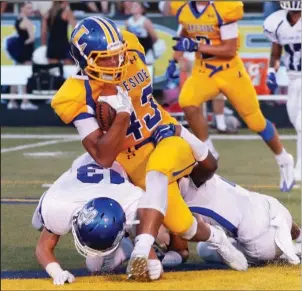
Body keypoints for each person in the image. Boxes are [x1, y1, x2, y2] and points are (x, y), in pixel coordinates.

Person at [51, 16, 236, 281]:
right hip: (134, 156)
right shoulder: (74, 95)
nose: (115, 62)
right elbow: (103, 157)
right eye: (105, 58)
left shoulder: (130, 44)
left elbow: (145, 95)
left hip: (165, 130)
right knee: (179, 220)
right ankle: (185, 243)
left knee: (210, 179)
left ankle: (265, 231)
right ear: (85, 61)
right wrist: (123, 115)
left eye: (116, 55)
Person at [33, 152, 248, 285]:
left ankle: (207, 241)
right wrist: (56, 271)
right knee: (41, 225)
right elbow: (44, 247)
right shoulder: (58, 204)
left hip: (127, 168)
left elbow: (144, 232)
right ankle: (123, 247)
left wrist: (152, 262)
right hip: (80, 179)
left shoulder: (133, 201)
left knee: (171, 225)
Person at [169, 1, 295, 191]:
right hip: (204, 71)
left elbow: (229, 50)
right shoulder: (184, 9)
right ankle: (208, 149)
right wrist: (174, 59)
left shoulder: (224, 8)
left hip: (230, 72)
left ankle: (283, 158)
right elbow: (185, 34)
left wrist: (197, 47)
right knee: (187, 102)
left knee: (255, 122)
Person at [160, 173, 301, 268]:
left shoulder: (176, 203)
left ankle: (289, 251)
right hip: (277, 210)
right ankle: (299, 235)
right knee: (259, 205)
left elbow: (181, 251)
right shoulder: (199, 170)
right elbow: (207, 160)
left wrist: (161, 259)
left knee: (204, 249)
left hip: (261, 244)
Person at [264, 1, 301, 182]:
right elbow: (276, 53)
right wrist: (272, 71)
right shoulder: (277, 23)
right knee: (296, 121)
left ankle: (299, 169)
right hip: (294, 78)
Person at [6, 1, 38, 111]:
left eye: (31, 8)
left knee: (15, 77)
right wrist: (25, 43)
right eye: (28, 8)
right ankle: (25, 101)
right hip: (25, 52)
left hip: (18, 52)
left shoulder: (18, 19)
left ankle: (12, 101)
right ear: (22, 8)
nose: (31, 11)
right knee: (23, 77)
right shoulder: (26, 21)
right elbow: (32, 38)